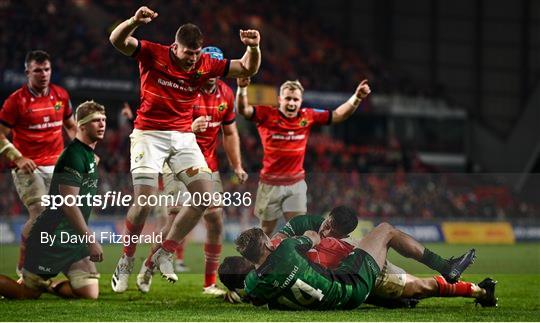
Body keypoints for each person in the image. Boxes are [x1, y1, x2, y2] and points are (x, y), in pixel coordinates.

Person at [108, 6, 261, 292]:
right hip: (148, 134)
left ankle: (165, 250)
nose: (193, 59)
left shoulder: (205, 63)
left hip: (182, 137)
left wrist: (254, 47)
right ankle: (126, 260)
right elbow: (117, 41)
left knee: (204, 198)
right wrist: (132, 21)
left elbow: (247, 68)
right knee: (143, 203)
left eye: (196, 53)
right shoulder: (154, 53)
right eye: (188, 53)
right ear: (174, 47)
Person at [136, 46, 248, 295]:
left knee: (216, 220)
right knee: (174, 218)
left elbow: (230, 132)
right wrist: (188, 128)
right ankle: (148, 266)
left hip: (208, 166)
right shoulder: (185, 86)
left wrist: (237, 165)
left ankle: (209, 283)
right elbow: (163, 124)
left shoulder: (226, 94)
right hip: (176, 160)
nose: (210, 73)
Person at [220, 208, 497, 308]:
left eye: (332, 228)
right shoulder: (290, 245)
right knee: (389, 235)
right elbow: (305, 239)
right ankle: (449, 270)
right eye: (327, 225)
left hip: (352, 272)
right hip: (356, 278)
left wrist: (235, 292)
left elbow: (253, 285)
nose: (326, 229)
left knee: (419, 288)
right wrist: (306, 240)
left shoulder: (258, 286)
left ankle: (481, 291)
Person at [235, 77, 370, 235]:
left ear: (301, 101)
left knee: (299, 230)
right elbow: (244, 110)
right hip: (270, 184)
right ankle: (258, 260)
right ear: (280, 99)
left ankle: (292, 259)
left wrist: (357, 98)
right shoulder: (266, 114)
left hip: (295, 184)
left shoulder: (308, 115)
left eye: (295, 99)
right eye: (288, 99)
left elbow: (338, 115)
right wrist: (242, 89)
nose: (292, 103)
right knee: (265, 232)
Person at [0, 100, 106, 299]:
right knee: (26, 294)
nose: (102, 125)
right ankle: (36, 285)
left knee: (89, 292)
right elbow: (68, 204)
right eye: (96, 121)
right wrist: (90, 241)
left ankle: (48, 286)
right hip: (52, 237)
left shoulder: (89, 155)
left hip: (71, 238)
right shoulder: (73, 156)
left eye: (104, 120)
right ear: (81, 126)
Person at [0, 50, 77, 277]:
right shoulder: (15, 101)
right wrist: (18, 158)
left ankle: (53, 264)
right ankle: (23, 266)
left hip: (57, 164)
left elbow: (71, 126)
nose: (43, 74)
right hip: (28, 166)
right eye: (37, 70)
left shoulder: (61, 95)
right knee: (40, 212)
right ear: (27, 72)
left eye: (46, 69)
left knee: (64, 215)